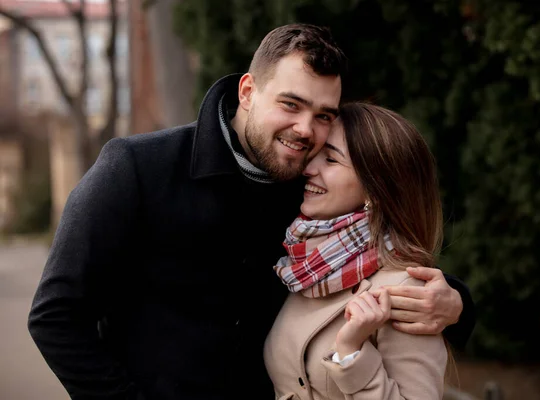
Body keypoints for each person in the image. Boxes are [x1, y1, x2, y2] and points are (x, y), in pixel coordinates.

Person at [28, 24, 474, 400]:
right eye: (291, 104)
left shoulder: (306, 186)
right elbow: (56, 315)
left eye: (323, 114)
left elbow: (366, 254)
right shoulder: (137, 168)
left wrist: (455, 302)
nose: (306, 130)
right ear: (248, 91)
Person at [265, 102, 455, 400]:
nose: (309, 168)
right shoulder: (304, 266)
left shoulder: (406, 290)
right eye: (317, 154)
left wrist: (351, 355)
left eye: (331, 160)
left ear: (374, 190)